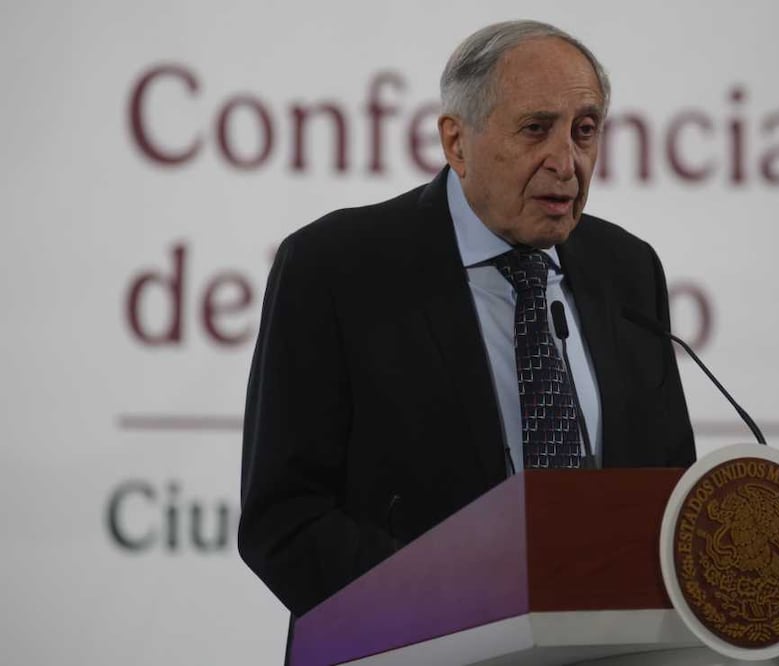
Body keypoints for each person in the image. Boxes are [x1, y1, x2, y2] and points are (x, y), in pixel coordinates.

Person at [238, 19, 696, 635]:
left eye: (584, 131)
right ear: (457, 141)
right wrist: (465, 605)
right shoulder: (337, 267)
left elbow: (667, 493)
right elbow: (285, 519)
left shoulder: (628, 270)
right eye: (536, 129)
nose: (566, 162)